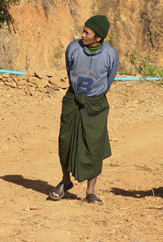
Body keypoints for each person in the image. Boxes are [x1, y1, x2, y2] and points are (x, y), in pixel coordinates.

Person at [49, 14, 119, 205]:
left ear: (98, 38)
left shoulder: (110, 55)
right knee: (65, 141)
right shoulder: (73, 48)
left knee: (93, 146)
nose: (82, 35)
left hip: (95, 105)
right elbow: (69, 70)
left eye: (87, 32)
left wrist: (93, 97)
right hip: (73, 100)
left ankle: (90, 191)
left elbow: (109, 80)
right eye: (83, 30)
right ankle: (65, 181)